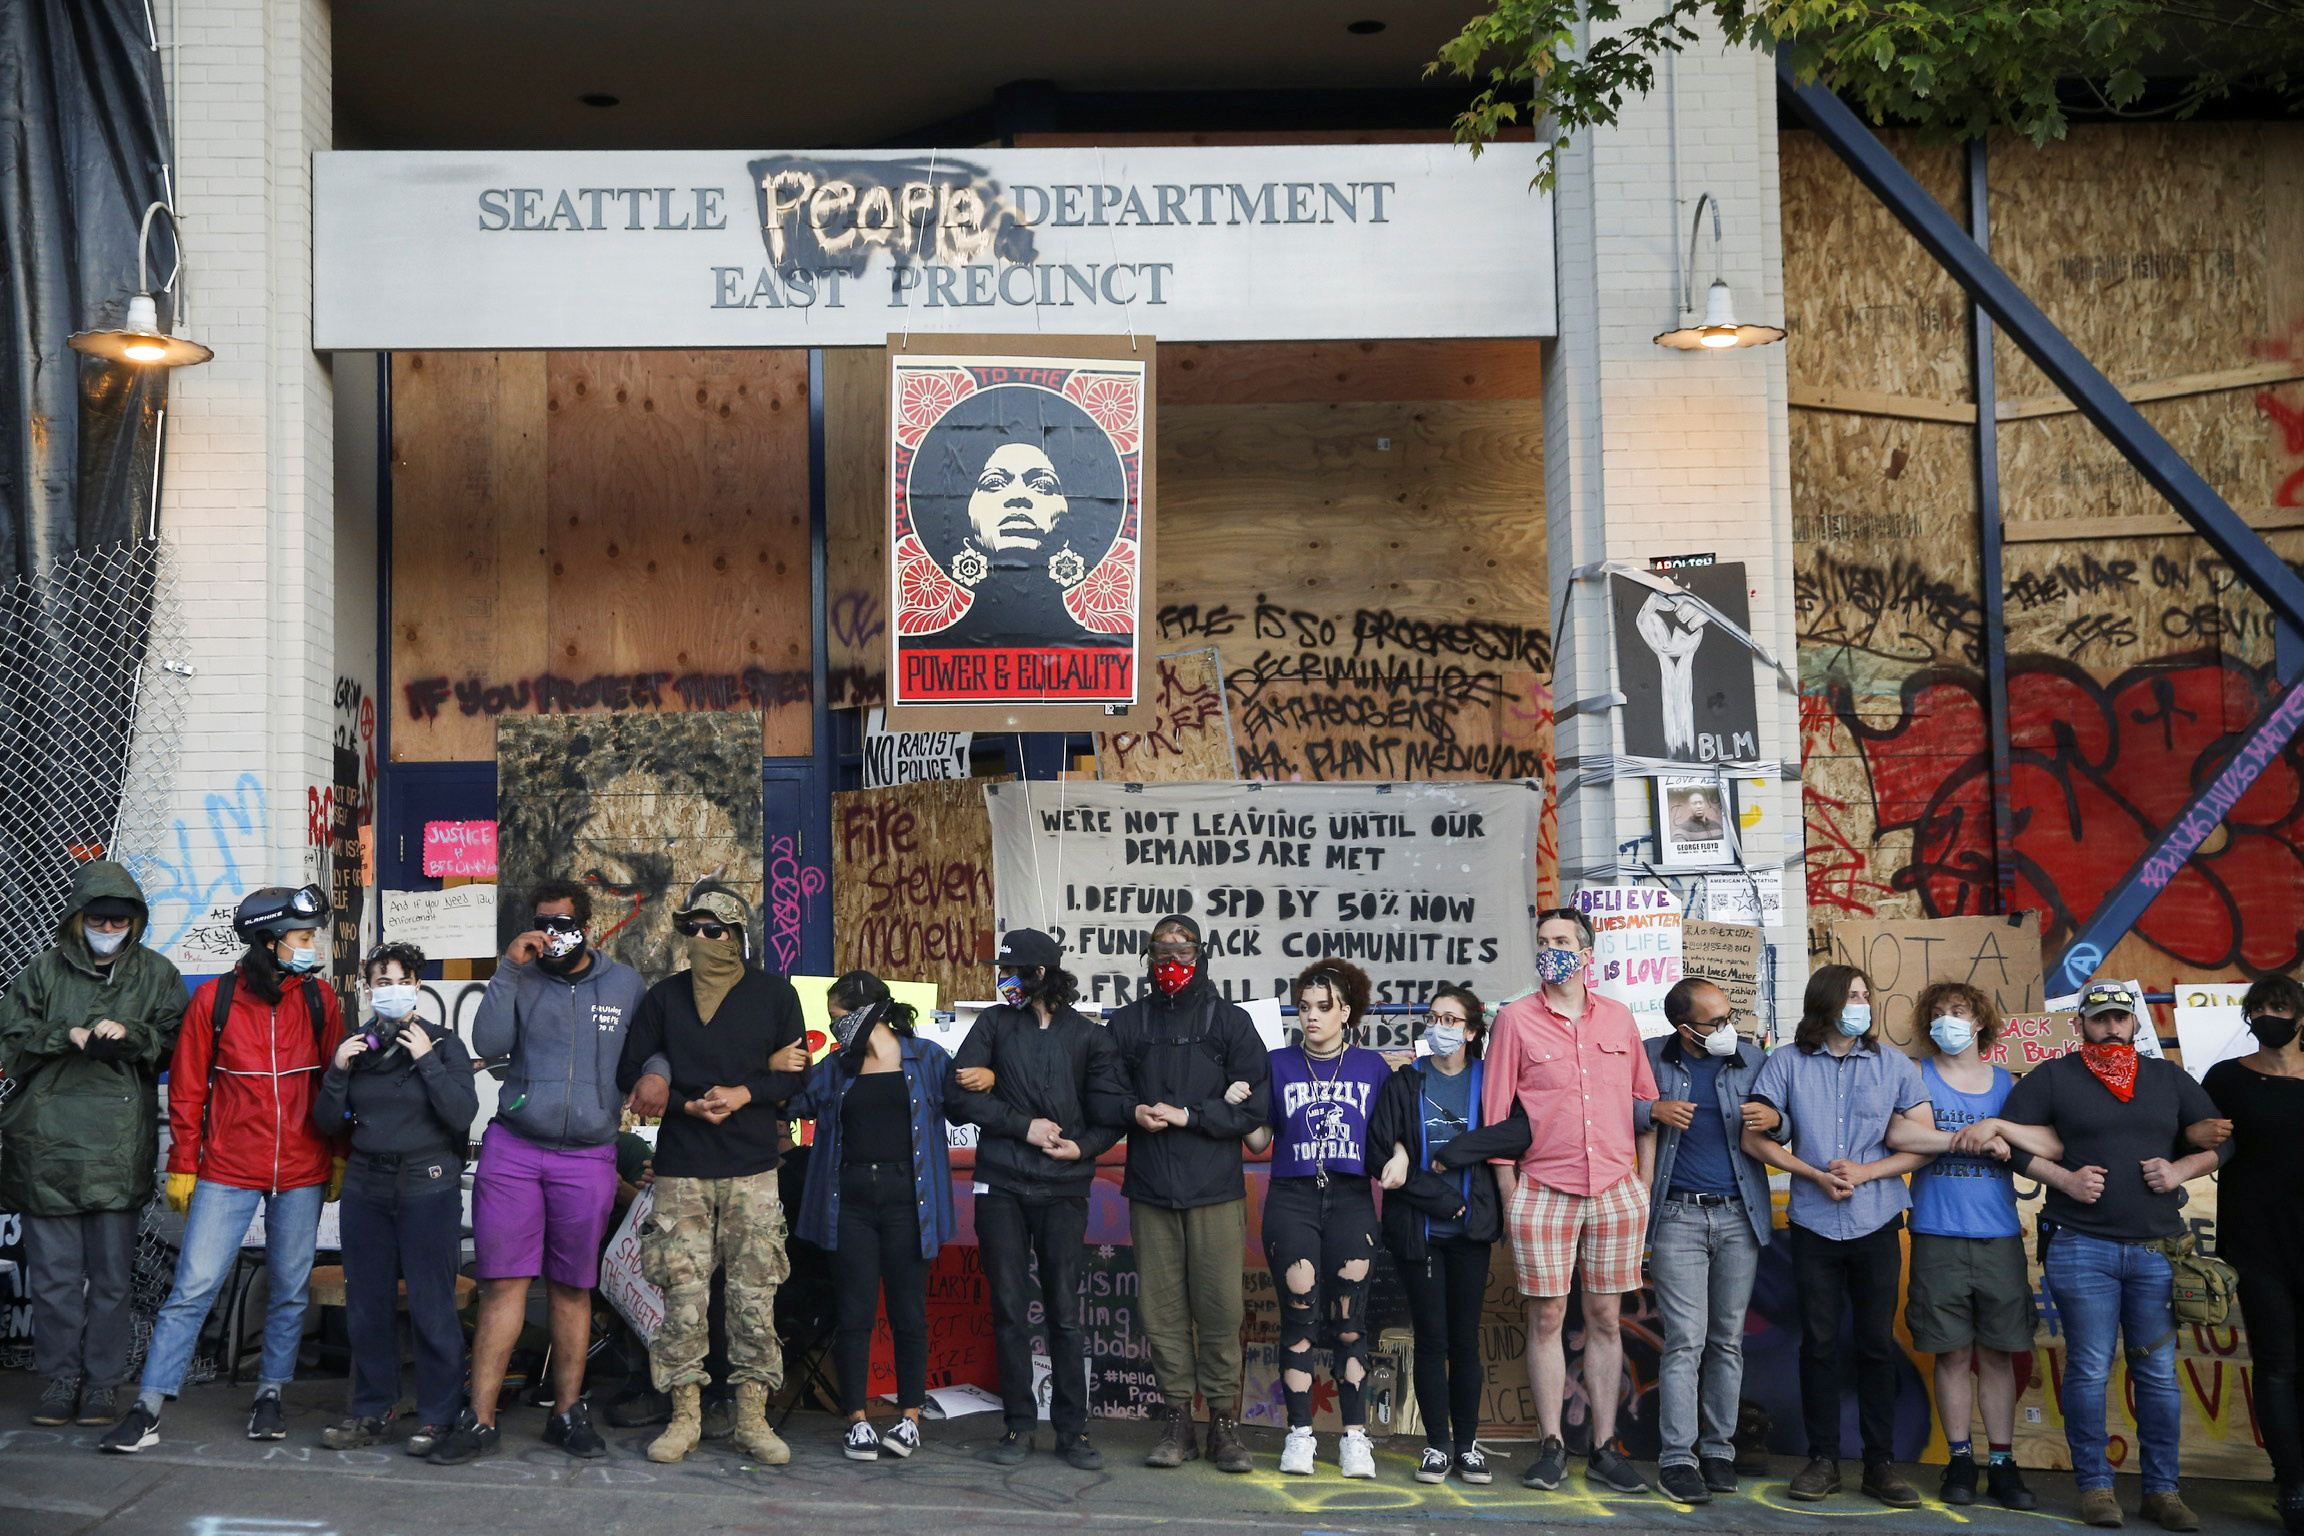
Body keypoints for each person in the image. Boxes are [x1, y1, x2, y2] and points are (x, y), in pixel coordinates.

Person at [1961, 981, 2227, 1530]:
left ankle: (2163, 1492)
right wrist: (2064, 1178)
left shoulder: (2168, 1078)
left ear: (2134, 1025)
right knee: (2087, 1370)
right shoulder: (2054, 1077)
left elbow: (2223, 1140)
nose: (2110, 1028)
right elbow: (2006, 1149)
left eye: (2119, 1020)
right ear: (2080, 1023)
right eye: (2100, 1018)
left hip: (2157, 1251)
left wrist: (2180, 1170)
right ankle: (2096, 1488)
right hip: (2082, 1245)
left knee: (2157, 1375)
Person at [101, 885, 344, 1454]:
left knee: (288, 1290)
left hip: (303, 1168)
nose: (312, 948)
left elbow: (335, 1085)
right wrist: (184, 1162)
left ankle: (271, 1395)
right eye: (303, 938)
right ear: (269, 941)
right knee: (192, 1289)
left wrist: (338, 1154)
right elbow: (186, 1090)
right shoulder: (213, 999)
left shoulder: (320, 999)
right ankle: (147, 1408)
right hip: (228, 1168)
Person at [428, 877, 660, 1466]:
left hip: (588, 1154)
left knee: (571, 1285)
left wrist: (655, 1073)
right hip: (516, 1147)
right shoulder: (521, 977)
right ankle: (478, 1418)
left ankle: (566, 1412)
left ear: (586, 924)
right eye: (543, 922)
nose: (552, 934)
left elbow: (653, 1046)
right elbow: (488, 1039)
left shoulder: (625, 984)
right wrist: (507, 968)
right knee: (504, 1281)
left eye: (563, 923)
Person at [615, 879, 808, 1466]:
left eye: (715, 931)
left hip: (752, 1167)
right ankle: (684, 1416)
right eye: (692, 931)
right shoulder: (666, 999)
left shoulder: (774, 996)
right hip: (683, 1167)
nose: (702, 941)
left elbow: (797, 1076)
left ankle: (751, 1415)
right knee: (683, 1296)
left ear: (738, 937)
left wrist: (747, 1089)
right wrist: (688, 1103)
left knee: (755, 1294)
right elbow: (631, 1072)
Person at [0, 862, 186, 1429]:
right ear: (78, 919)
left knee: (110, 1278)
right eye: (100, 919)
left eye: (120, 921)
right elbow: (11, 1040)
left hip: (116, 1144)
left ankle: (102, 1384)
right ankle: (60, 1377)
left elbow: (178, 1045)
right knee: (55, 1277)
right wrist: (69, 1034)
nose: (110, 928)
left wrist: (131, 1036)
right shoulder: (42, 972)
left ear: (136, 923)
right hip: (45, 1145)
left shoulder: (155, 974)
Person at [1480, 907, 1659, 1496]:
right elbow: (1496, 1114)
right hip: (1543, 1188)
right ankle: (1552, 1445)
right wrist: (1510, 1191)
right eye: (1542, 941)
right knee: (1548, 1316)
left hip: (1614, 1188)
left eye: (1561, 940)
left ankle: (1605, 1448)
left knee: (1606, 1317)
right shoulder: (1513, 1020)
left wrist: (1644, 1185)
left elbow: (1645, 1108)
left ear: (1586, 953)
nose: (1550, 949)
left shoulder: (1618, 1019)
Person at [1741, 963, 1930, 1507]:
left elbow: (1922, 1141)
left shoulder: (1893, 1064)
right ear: (1825, 1004)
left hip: (1877, 1219)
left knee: (1875, 1345)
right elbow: (1757, 1138)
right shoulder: (1787, 1063)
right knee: (1818, 1344)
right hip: (1813, 1223)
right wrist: (1813, 1173)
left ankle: (1881, 1465)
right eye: (1851, 996)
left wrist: (1867, 1172)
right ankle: (1822, 1459)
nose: (1861, 1005)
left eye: (1865, 996)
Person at [949, 929, 1132, 1470]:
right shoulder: (991, 1024)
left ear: (1044, 975)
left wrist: (1083, 1148)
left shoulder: (1090, 1037)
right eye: (1002, 971)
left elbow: (1112, 1112)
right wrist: (1022, 1125)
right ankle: (1018, 1428)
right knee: (1008, 1309)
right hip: (1000, 1183)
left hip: (1063, 1189)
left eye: (1016, 972)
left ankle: (1072, 1432)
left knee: (1064, 1311)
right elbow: (955, 1099)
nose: (1005, 981)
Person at [1104, 915, 1268, 1474]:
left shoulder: (1231, 1022)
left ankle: (1223, 1423)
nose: (1172, 959)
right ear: (1146, 956)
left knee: (1221, 1309)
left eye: (1184, 948)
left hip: (1215, 1191)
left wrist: (1192, 1114)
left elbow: (1256, 1105)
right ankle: (1178, 1420)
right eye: (1161, 949)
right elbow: (1101, 1091)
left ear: (1203, 955)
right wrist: (1132, 1110)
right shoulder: (1126, 1023)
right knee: (1162, 1310)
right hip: (1151, 1188)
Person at [1880, 982, 2051, 1511]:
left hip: (1998, 1234)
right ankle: (1960, 1459)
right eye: (1935, 1014)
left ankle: (2003, 1463)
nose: (1945, 1022)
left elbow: (2050, 1143)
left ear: (1979, 1021)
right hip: (1935, 1232)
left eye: (1957, 1012)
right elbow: (1897, 1135)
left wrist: (2000, 1130)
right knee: (1952, 1354)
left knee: (1999, 1354)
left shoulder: (2008, 1083)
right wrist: (1965, 1139)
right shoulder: (1915, 1075)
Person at [787, 972, 964, 1462]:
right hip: (851, 1204)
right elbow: (792, 1106)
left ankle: (909, 1418)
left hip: (911, 1202)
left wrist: (988, 1078)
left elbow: (965, 1106)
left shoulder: (926, 1058)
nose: (835, 1028)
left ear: (866, 1011)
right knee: (855, 1314)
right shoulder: (836, 1067)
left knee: (909, 1313)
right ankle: (857, 1420)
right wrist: (776, 1069)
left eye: (839, 1018)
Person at [312, 942, 477, 1454]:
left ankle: (438, 1416)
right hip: (367, 1185)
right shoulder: (356, 1048)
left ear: (417, 987)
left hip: (427, 1184)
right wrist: (338, 1071)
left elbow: (460, 1113)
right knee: (367, 1305)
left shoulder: (444, 1043)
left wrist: (426, 1059)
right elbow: (322, 1124)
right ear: (366, 988)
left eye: (399, 981)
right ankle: (371, 1409)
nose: (390, 991)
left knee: (432, 1304)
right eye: (380, 982)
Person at [1368, 984, 1525, 1487]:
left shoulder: (1490, 1079)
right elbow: (1378, 1155)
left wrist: (1459, 1151)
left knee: (1465, 1340)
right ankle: (1436, 1446)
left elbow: (1520, 1131)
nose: (1440, 1027)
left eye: (1452, 1020)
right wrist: (1441, 1198)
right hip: (1421, 1230)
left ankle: (1467, 1446)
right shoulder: (1406, 1081)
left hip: (1472, 1231)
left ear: (1472, 1030)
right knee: (1431, 1340)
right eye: (1434, 1017)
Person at [1634, 977, 1783, 1505]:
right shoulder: (1650, 1057)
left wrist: (1778, 1119)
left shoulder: (1752, 1059)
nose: (1727, 1030)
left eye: (1729, 1017)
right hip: (1678, 1217)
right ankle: (1678, 1459)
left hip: (1741, 1217)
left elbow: (1784, 1123)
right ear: (1684, 1029)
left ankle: (1719, 1450)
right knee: (1685, 1341)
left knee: (1726, 1341)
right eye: (1715, 1023)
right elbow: (1605, 1110)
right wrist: (1649, 1111)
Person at [1244, 959, 1393, 1480]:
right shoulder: (1276, 1062)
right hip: (1292, 1197)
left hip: (1352, 1196)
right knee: (1300, 1318)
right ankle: (1300, 1434)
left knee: (1350, 1321)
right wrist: (1239, 1104)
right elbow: (1260, 1140)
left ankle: (1355, 1437)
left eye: (1323, 1008)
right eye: (1303, 1007)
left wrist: (1396, 1155)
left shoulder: (1372, 1067)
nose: (1311, 1017)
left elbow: (1386, 1136)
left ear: (1346, 1012)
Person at [904, 385, 1133, 652]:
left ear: (1074, 511)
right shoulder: (918, 649)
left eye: (1043, 485)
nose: (1018, 498)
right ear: (960, 509)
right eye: (994, 483)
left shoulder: (1112, 648)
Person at [2204, 976, 2304, 1535]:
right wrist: (2195, 1132)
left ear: (2300, 1016)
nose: (2270, 1014)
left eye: (2281, 1006)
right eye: (2261, 1007)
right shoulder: (2227, 1078)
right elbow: (2190, 1136)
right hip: (2257, 1241)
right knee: (2276, 1367)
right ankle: (2292, 1482)